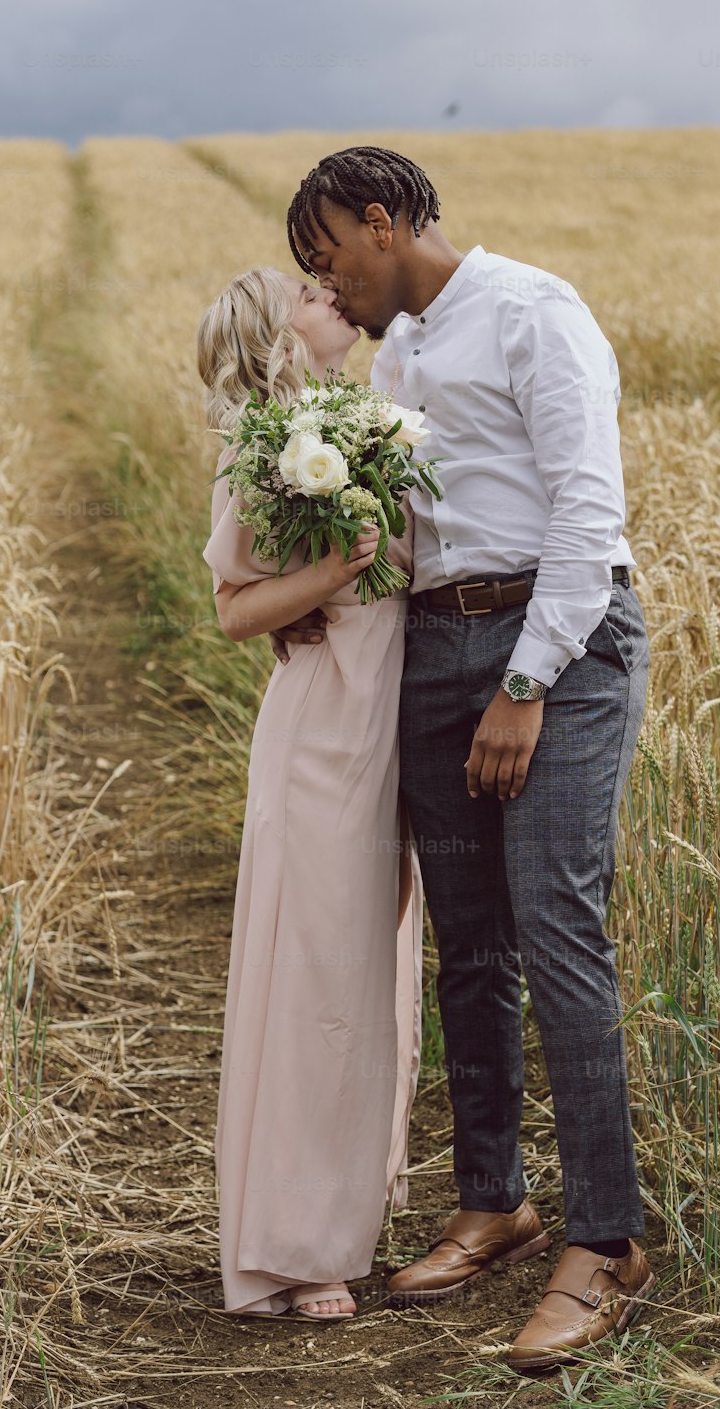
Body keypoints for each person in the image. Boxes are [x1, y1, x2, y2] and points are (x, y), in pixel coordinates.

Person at [269, 147, 657, 1370]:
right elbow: (414, 529)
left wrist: (527, 686)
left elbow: (587, 513)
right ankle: (493, 1201)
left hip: (560, 646)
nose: (327, 284)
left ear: (380, 221)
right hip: (437, 648)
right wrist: (308, 589)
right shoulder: (400, 353)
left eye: (329, 255)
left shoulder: (534, 310)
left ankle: (606, 1242)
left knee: (554, 927)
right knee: (467, 939)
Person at [197, 264, 424, 1321]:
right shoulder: (264, 452)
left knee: (371, 970)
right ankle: (293, 1250)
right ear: (275, 335)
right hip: (322, 734)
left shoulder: (366, 422)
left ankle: (344, 1215)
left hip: (387, 723)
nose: (327, 288)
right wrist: (334, 574)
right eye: (303, 287)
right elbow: (237, 610)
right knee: (316, 981)